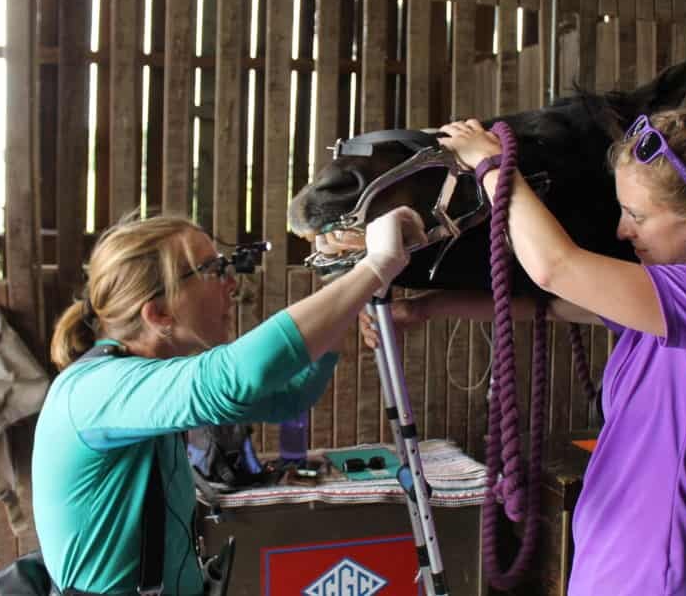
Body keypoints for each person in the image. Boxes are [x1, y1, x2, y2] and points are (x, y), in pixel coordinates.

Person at [360, 102, 686, 595]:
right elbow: (558, 305)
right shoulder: (673, 300)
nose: (623, 230)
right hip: (619, 561)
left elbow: (555, 268)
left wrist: (492, 165)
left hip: (656, 574)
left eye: (636, 215)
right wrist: (425, 308)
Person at [33, 206, 425, 595]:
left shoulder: (150, 380)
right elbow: (237, 377)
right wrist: (375, 266)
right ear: (159, 312)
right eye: (212, 270)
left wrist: (345, 300)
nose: (231, 284)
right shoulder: (92, 390)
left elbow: (289, 398)